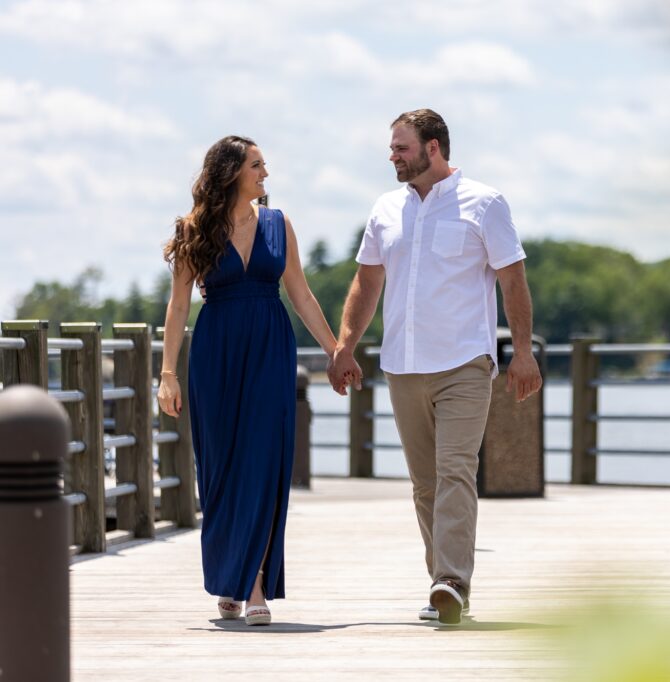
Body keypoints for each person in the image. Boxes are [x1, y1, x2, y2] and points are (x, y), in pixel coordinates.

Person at [328, 109, 542, 626]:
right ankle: (441, 584)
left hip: (465, 363)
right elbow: (367, 283)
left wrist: (523, 353)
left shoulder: (485, 204)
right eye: (393, 148)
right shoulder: (385, 210)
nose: (393, 156)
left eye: (402, 147)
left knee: (454, 472)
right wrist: (345, 346)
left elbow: (512, 280)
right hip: (402, 365)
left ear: (434, 148)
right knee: (425, 483)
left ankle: (452, 581)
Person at [158, 135, 337, 626]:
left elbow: (300, 294)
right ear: (232, 171)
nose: (265, 174)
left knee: (262, 463)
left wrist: (335, 350)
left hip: (268, 349)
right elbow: (177, 307)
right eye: (257, 165)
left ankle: (253, 582)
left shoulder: (279, 224)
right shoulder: (197, 228)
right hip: (215, 353)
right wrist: (167, 374)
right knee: (220, 469)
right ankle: (228, 577)